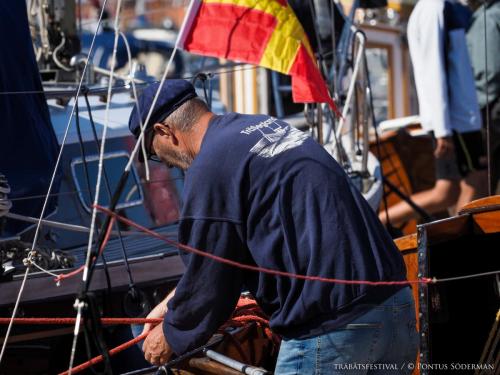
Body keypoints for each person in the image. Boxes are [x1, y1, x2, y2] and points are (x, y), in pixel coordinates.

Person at [129, 80, 418, 373]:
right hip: (396, 307)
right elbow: (223, 257)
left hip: (333, 331)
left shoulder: (209, 167)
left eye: (156, 154)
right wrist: (171, 304)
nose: (167, 164)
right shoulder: (263, 127)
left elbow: (212, 280)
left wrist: (171, 333)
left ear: (165, 132)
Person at [381, 0, 488, 226]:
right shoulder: (435, 8)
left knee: (447, 192)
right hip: (458, 120)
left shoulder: (439, 7)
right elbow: (433, 69)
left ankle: (378, 222)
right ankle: (378, 221)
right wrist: (442, 130)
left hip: (454, 119)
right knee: (476, 181)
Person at [466, 0, 500, 194]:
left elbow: (489, 73)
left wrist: (475, 110)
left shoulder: (488, 19)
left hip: (491, 111)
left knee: (480, 183)